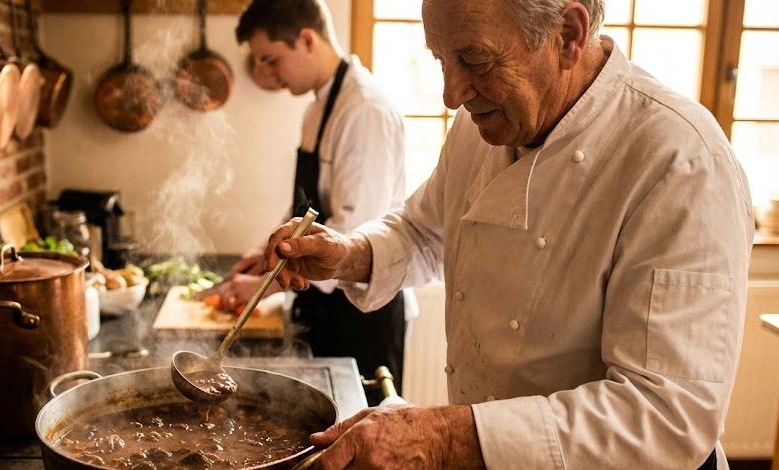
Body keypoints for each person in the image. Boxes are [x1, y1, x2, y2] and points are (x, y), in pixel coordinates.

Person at [260, 0, 755, 468]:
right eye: (441, 61)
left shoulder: (681, 162)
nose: (452, 95)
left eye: (474, 60)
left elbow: (665, 417)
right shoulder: (482, 125)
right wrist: (348, 253)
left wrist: (444, 437)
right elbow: (423, 228)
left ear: (568, 36)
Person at [211, 0, 414, 403]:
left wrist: (266, 287)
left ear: (306, 39)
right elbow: (307, 209)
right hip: (322, 310)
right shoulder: (317, 108)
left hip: (362, 315)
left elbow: (353, 237)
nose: (268, 75)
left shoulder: (365, 111)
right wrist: (266, 250)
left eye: (272, 60)